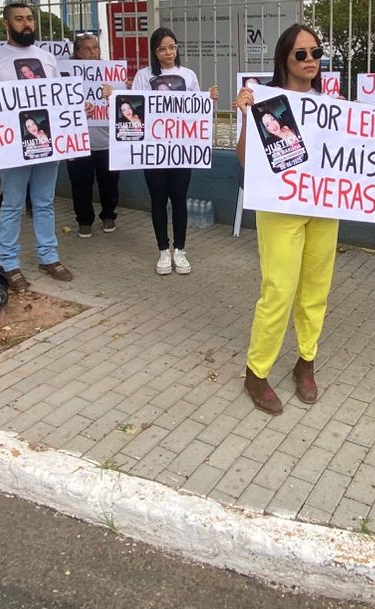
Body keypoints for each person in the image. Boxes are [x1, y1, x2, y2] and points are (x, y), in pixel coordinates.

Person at [234, 23, 333, 414]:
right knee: (279, 289)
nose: (311, 60)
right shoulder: (264, 102)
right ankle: (256, 373)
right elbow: (245, 159)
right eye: (301, 54)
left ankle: (305, 362)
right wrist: (241, 115)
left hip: (324, 209)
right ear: (284, 59)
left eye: (316, 52)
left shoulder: (331, 104)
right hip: (280, 209)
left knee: (316, 289)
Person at [0, 2, 72, 293]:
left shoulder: (47, 59)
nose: (26, 24)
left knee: (44, 202)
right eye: (19, 19)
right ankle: (9, 264)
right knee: (12, 204)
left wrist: (77, 108)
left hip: (46, 142)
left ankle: (48, 257)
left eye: (29, 18)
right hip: (12, 146)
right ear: (6, 24)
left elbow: (58, 97)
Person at [107, 26, 218, 275]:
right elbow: (132, 106)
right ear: (154, 52)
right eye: (162, 48)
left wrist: (208, 98)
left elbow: (198, 111)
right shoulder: (144, 76)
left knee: (179, 200)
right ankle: (162, 251)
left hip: (181, 150)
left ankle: (180, 250)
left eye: (172, 47)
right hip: (153, 151)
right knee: (158, 201)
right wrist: (113, 96)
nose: (168, 52)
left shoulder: (188, 75)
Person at [64, 33, 119, 237]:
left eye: (95, 47)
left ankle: (108, 215)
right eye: (87, 48)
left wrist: (120, 91)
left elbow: (122, 104)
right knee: (80, 183)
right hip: (78, 141)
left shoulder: (110, 73)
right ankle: (84, 220)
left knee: (110, 182)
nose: (92, 52)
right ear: (77, 52)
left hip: (107, 140)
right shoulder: (67, 75)